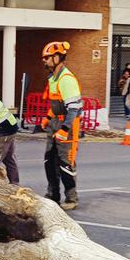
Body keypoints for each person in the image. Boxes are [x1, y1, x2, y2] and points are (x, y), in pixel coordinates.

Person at [40, 41, 82, 210]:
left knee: (65, 162)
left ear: (57, 58)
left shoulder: (67, 79)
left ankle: (71, 198)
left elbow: (74, 107)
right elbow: (56, 103)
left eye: (47, 58)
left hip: (68, 123)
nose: (44, 61)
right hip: (55, 121)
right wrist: (48, 117)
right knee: (49, 160)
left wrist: (65, 129)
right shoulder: (53, 78)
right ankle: (53, 195)